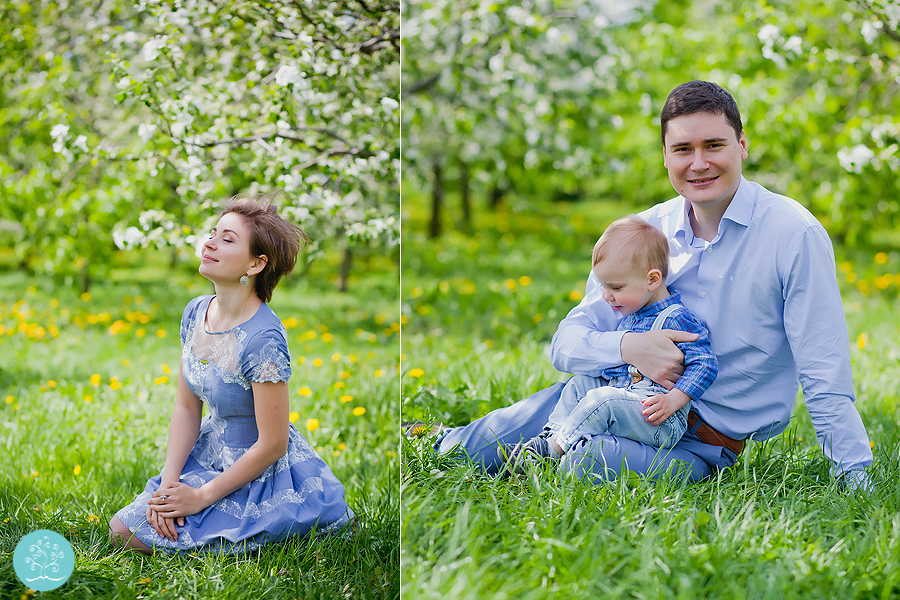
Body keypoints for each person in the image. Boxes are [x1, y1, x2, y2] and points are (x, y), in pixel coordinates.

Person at [431, 80, 873, 488]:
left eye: (714, 145)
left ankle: (541, 451)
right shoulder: (643, 232)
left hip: (701, 441)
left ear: (741, 145)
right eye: (683, 149)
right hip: (609, 399)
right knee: (460, 453)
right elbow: (566, 344)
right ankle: (435, 439)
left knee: (583, 463)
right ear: (665, 155)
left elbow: (824, 371)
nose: (699, 163)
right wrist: (629, 348)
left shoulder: (793, 234)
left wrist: (855, 478)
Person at [109, 192, 354, 554]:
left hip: (261, 473)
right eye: (213, 232)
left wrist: (199, 498)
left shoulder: (263, 338)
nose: (210, 242)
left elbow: (273, 444)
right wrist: (169, 485)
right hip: (208, 453)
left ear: (255, 265)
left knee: (130, 534)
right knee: (122, 528)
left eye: (227, 239)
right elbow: (186, 408)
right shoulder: (196, 312)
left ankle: (285, 525)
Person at [498, 215, 717, 470]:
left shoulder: (677, 318)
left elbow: (705, 364)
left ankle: (550, 452)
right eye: (603, 286)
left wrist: (674, 400)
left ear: (653, 280)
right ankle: (549, 439)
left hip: (659, 420)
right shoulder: (632, 318)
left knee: (602, 399)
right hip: (630, 405)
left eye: (615, 287)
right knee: (580, 384)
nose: (607, 297)